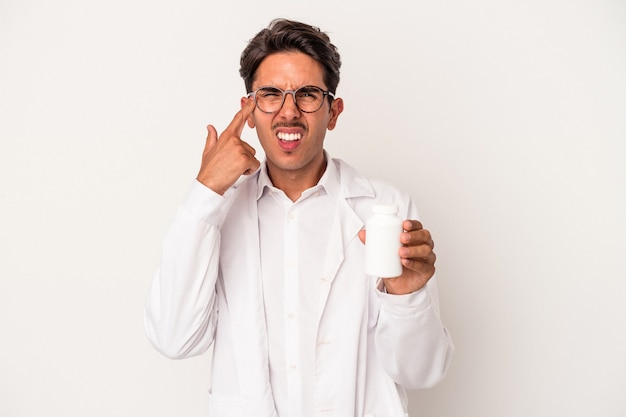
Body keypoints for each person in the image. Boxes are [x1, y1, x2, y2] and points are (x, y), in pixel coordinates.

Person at [144, 18, 453, 417]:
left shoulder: (385, 208)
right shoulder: (217, 211)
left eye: (307, 94)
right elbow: (173, 338)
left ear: (334, 111)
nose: (288, 112)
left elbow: (421, 372)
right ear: (249, 111)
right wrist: (205, 192)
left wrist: (406, 297)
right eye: (270, 94)